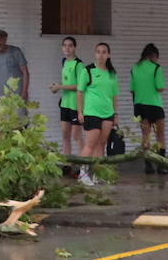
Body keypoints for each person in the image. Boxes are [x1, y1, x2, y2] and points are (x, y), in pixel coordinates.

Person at [76, 42, 119, 187]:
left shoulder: (112, 74)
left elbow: (114, 95)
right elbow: (80, 92)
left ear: (108, 55)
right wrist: (80, 112)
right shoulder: (87, 70)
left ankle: (97, 174)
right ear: (95, 54)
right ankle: (82, 174)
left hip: (107, 113)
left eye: (104, 52)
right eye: (98, 52)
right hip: (91, 113)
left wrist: (115, 113)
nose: (101, 55)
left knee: (101, 144)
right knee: (90, 144)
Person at [130, 43, 168, 174]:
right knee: (160, 136)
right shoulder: (157, 68)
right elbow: (160, 88)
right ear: (153, 56)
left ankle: (148, 165)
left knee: (145, 136)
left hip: (139, 106)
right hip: (155, 106)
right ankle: (161, 165)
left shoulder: (134, 68)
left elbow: (132, 90)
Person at [47, 36, 83, 172]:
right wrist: (56, 89)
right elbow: (66, 83)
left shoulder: (78, 64)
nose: (67, 48)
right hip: (65, 104)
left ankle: (82, 165)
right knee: (65, 135)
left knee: (77, 136)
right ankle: (68, 165)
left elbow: (80, 85)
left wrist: (61, 87)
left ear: (75, 48)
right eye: (65, 45)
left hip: (75, 105)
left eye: (70, 45)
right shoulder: (64, 62)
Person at [0, 29, 29, 107]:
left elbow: (25, 73)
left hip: (17, 97)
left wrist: (24, 93)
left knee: (19, 118)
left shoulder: (16, 52)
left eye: (0, 39)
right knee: (2, 119)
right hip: (0, 99)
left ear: (5, 39)